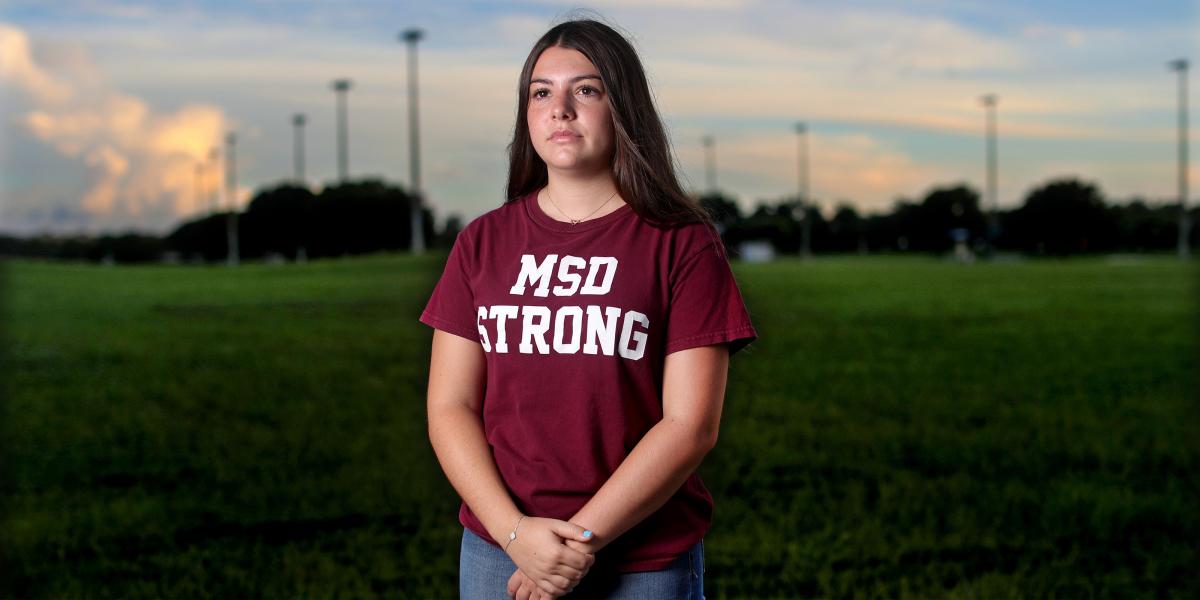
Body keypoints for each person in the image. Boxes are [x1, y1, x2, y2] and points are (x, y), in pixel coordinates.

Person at [420, 17, 757, 600]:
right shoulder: (482, 242)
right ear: (526, 115)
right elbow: (450, 405)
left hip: (642, 561)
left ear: (622, 106)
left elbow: (689, 425)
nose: (561, 109)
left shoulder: (682, 242)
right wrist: (515, 532)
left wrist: (574, 544)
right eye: (541, 92)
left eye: (587, 90)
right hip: (497, 553)